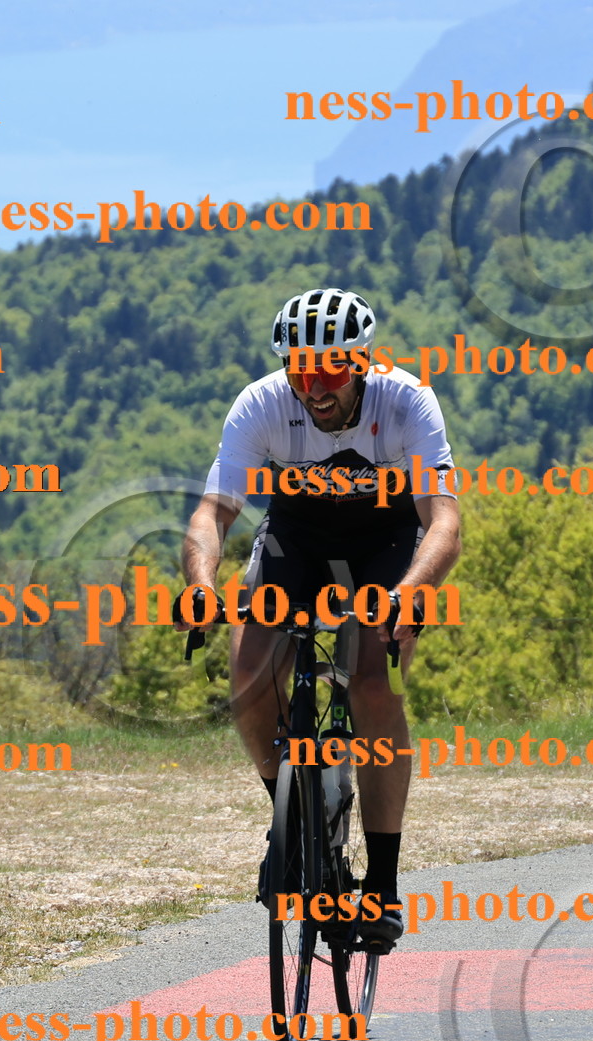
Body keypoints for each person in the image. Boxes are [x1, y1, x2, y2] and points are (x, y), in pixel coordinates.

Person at [179, 287, 462, 947]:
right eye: (303, 371)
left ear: (361, 362)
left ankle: (382, 885)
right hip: (298, 540)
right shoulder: (263, 403)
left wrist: (413, 591)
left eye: (332, 369)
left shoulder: (406, 400)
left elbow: (443, 521)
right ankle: (296, 824)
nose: (316, 386)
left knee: (372, 685)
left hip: (385, 544)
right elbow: (211, 514)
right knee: (248, 678)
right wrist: (200, 584)